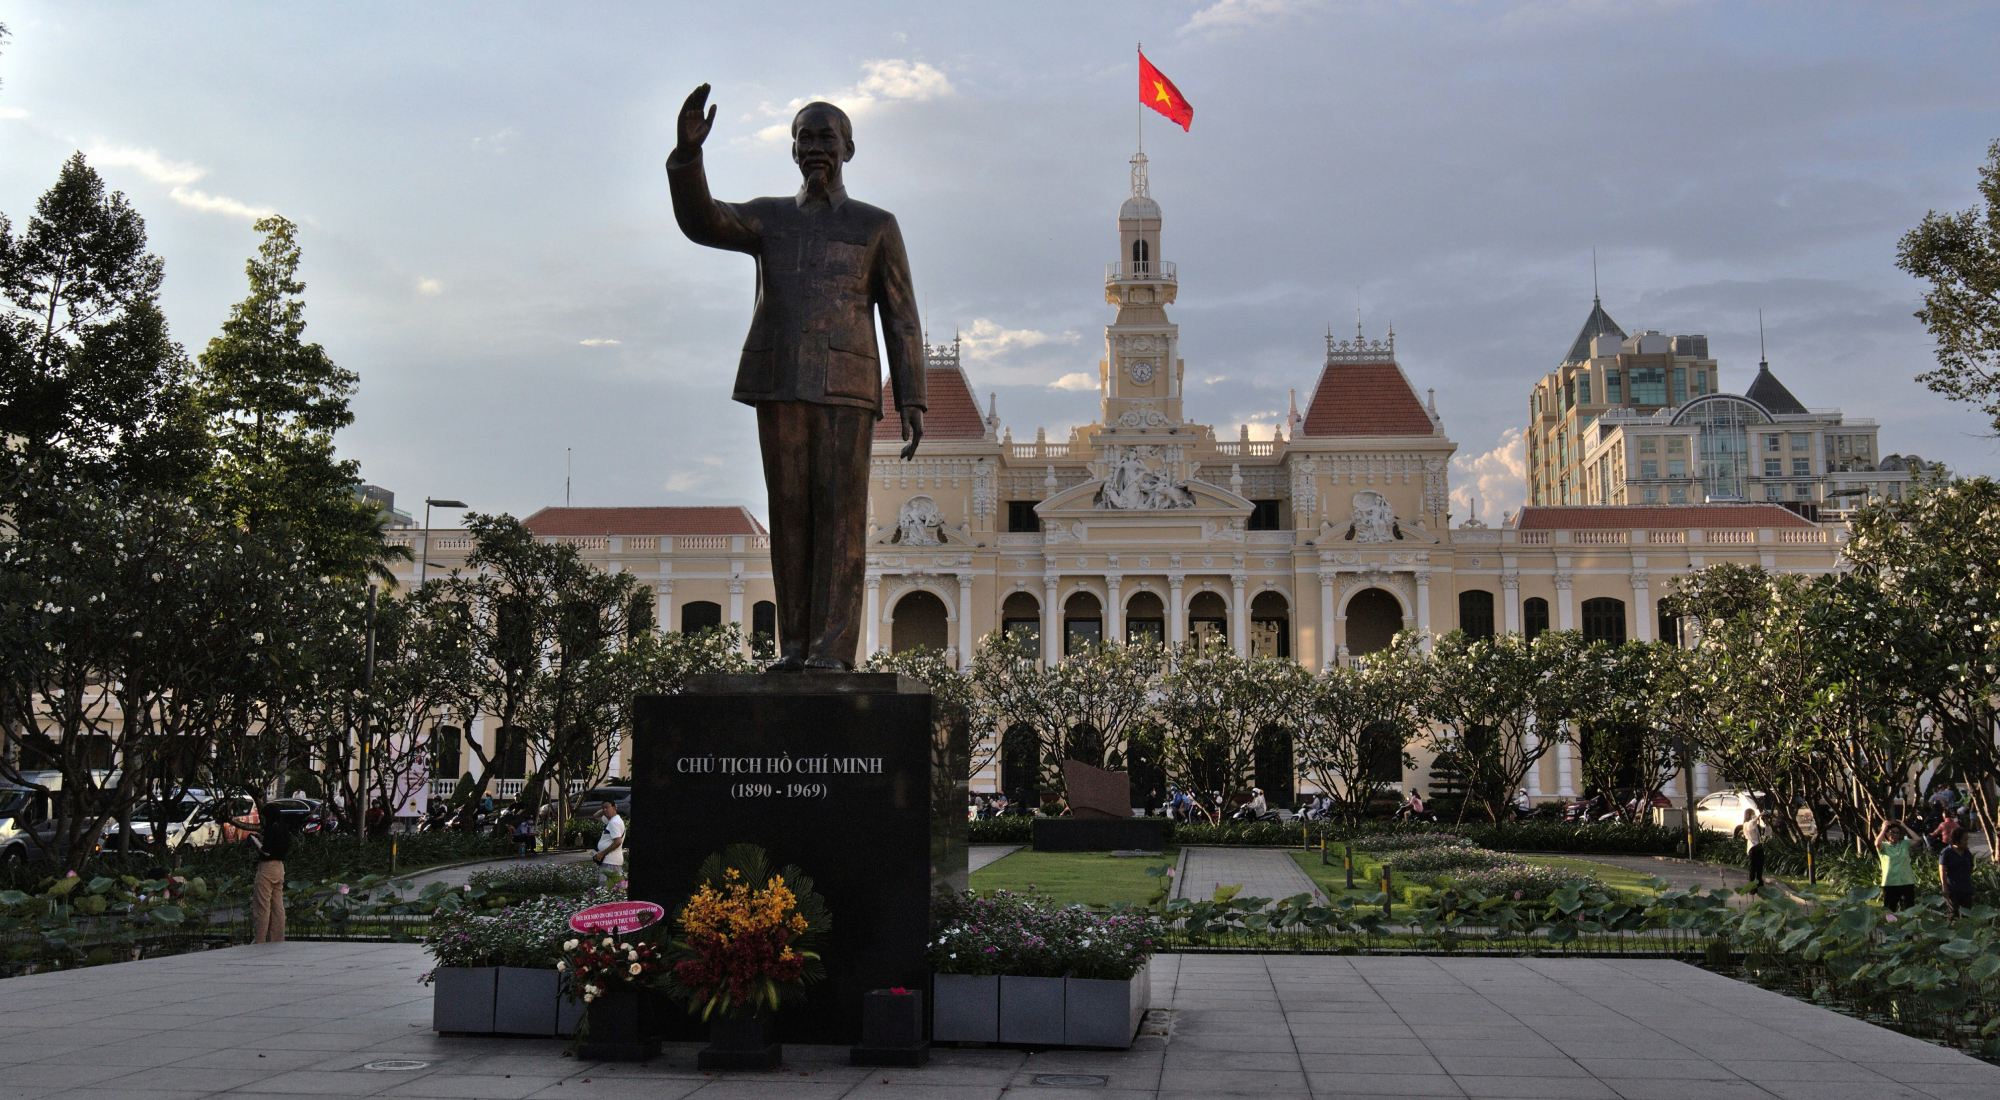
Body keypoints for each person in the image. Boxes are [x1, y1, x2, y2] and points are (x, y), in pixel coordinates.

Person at [232, 802, 293, 944]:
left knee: (262, 905)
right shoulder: (284, 828)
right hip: (280, 868)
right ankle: (277, 938)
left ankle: (260, 938)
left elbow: (267, 850)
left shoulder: (272, 829)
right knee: (278, 905)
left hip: (267, 868)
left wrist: (258, 844)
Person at [1876, 820, 1918, 911]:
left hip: (1907, 881)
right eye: (1892, 832)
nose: (1895, 834)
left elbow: (1917, 839)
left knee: (1909, 910)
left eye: (1897, 833)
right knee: (1889, 910)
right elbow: (1877, 843)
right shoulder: (1884, 846)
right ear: (1887, 834)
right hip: (1890, 882)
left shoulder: (1904, 844)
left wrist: (1905, 827)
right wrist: (1883, 829)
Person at [1940, 827, 1975, 919]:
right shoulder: (1947, 852)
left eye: (1967, 839)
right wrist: (1945, 887)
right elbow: (1942, 871)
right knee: (1953, 914)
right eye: (1964, 839)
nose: (1966, 842)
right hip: (1952, 889)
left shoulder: (1967, 853)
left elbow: (1971, 869)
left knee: (1966, 915)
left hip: (1966, 889)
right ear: (1957, 840)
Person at [593, 800, 626, 886]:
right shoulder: (610, 821)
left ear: (614, 808)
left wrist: (602, 853)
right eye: (603, 808)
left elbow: (618, 841)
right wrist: (605, 809)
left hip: (610, 861)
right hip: (609, 861)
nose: (604, 810)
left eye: (607, 807)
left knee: (606, 888)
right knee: (609, 888)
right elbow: (595, 816)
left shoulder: (614, 822)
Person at [1742, 807, 1770, 890]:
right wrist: (1758, 816)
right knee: (1752, 868)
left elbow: (1767, 832)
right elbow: (1751, 825)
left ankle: (1760, 885)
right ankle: (1752, 887)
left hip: (1759, 847)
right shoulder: (1746, 825)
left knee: (1759, 868)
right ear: (1748, 815)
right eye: (1752, 814)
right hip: (1752, 848)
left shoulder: (1757, 826)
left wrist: (1767, 823)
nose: (1754, 815)